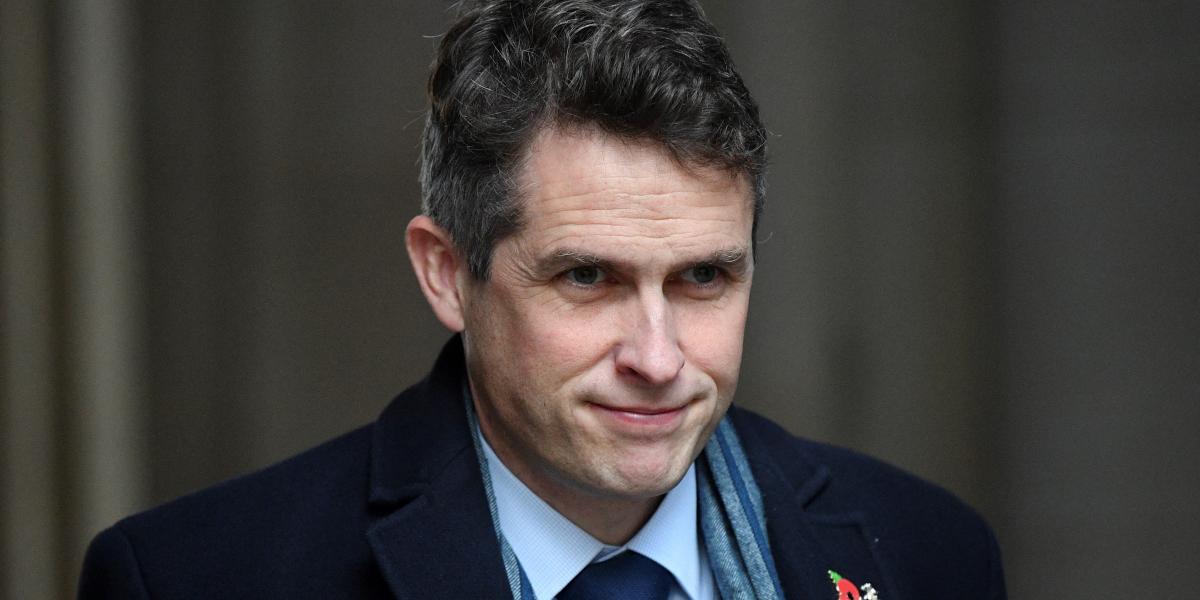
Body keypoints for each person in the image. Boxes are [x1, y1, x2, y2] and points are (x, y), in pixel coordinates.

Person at [79, 1, 1005, 598]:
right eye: (587, 278)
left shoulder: (928, 553)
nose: (658, 358)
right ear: (447, 273)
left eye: (703, 278)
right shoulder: (198, 577)